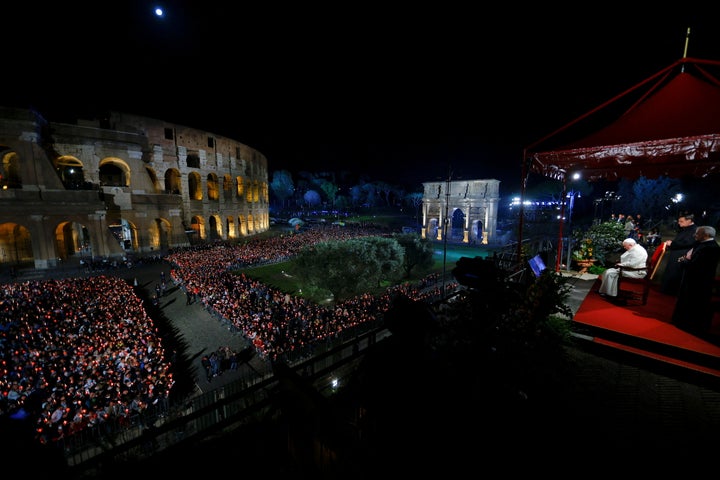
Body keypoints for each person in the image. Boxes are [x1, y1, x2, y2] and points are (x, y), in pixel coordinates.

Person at [671, 225, 720, 336]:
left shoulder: (711, 248)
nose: (694, 235)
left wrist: (684, 261)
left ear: (706, 235)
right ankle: (680, 320)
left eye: (698, 233)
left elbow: (697, 265)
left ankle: (688, 324)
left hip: (699, 282)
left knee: (693, 303)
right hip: (691, 279)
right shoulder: (702, 244)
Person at [660, 212, 697, 295]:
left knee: (676, 273)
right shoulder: (686, 228)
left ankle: (671, 291)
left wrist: (672, 244)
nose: (679, 223)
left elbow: (688, 243)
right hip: (676, 253)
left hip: (682, 255)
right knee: (671, 272)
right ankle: (666, 290)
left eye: (681, 221)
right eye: (679, 221)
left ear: (689, 220)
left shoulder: (694, 230)